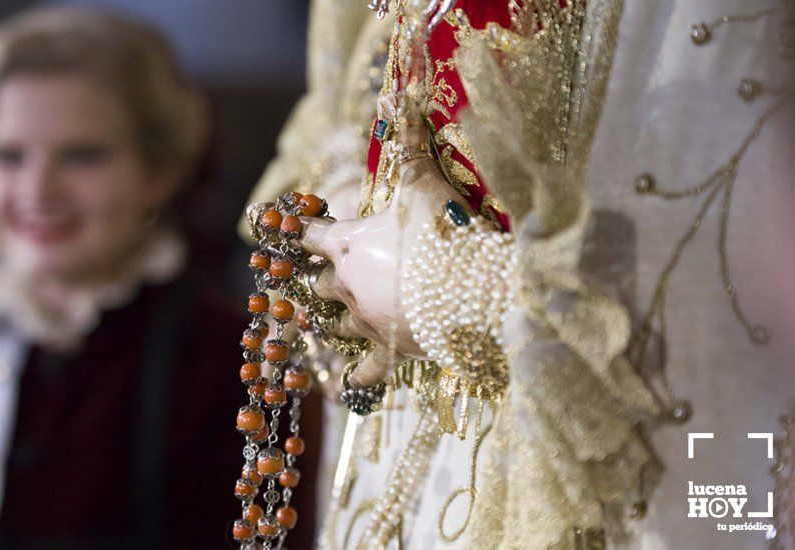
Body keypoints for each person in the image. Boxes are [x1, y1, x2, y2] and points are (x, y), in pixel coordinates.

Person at [245, 0, 795, 548]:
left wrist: (474, 295)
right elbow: (359, 73)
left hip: (611, 434)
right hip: (411, 413)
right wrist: (348, 198)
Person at [0, 8, 248, 548]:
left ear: (158, 172)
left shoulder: (226, 354)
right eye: (7, 155)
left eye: (81, 156)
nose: (37, 189)